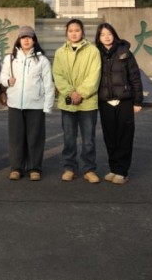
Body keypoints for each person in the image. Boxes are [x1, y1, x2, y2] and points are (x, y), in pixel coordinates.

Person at [0, 26, 55, 181]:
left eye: (29, 37)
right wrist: (7, 81)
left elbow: (48, 84)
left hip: (36, 105)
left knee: (35, 138)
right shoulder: (10, 58)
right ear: (19, 40)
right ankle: (16, 168)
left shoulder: (42, 60)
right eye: (23, 37)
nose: (26, 40)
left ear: (34, 40)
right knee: (16, 138)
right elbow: (2, 77)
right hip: (15, 104)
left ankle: (34, 168)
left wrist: (48, 106)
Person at [52, 18, 102, 183]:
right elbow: (58, 75)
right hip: (68, 102)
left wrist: (81, 93)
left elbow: (94, 75)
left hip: (88, 102)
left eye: (77, 30)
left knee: (88, 139)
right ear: (66, 33)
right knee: (69, 138)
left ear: (83, 32)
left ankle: (89, 169)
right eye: (71, 31)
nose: (74, 33)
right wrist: (70, 93)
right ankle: (69, 168)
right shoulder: (60, 52)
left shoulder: (93, 51)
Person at [95, 22, 144, 185]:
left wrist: (137, 101)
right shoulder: (95, 54)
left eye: (109, 34)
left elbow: (135, 77)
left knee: (124, 137)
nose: (106, 37)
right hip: (105, 102)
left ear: (114, 35)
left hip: (124, 101)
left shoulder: (125, 53)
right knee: (110, 137)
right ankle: (113, 168)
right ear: (98, 38)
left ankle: (122, 171)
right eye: (103, 35)